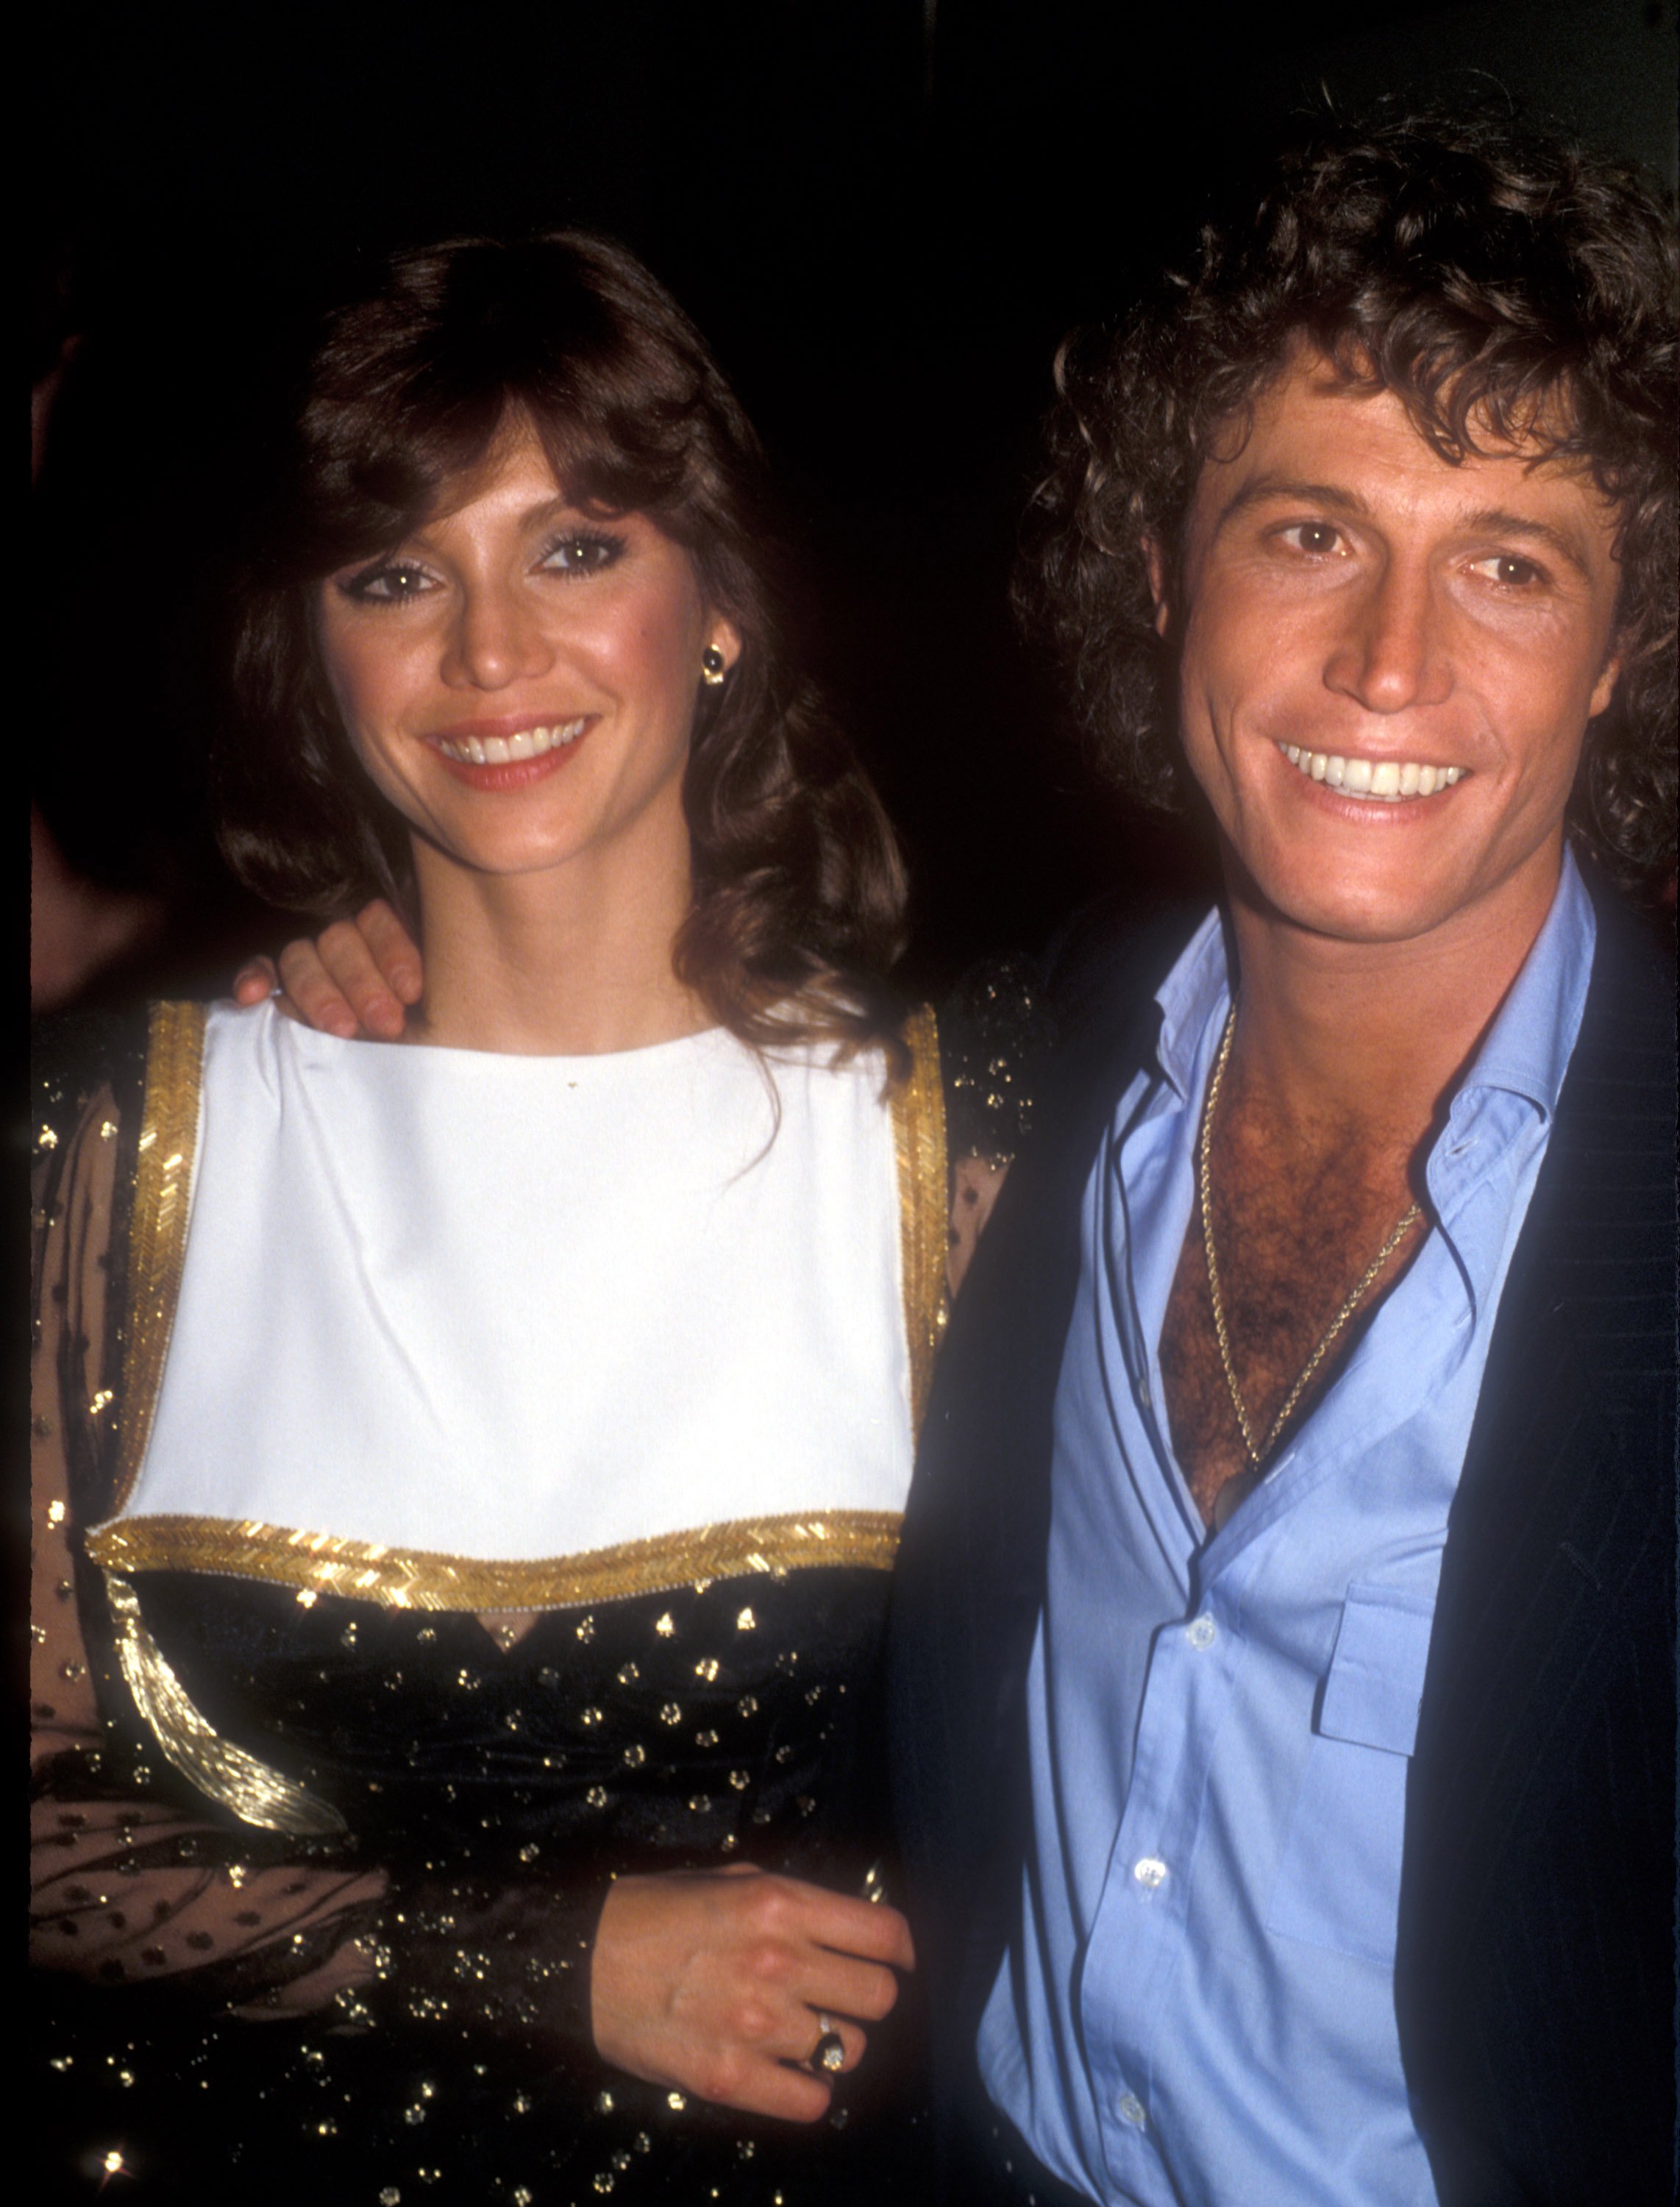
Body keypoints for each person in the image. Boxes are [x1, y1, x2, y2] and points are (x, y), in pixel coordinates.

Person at [29, 227, 1015, 2205]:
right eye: (400, 574)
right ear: (312, 642)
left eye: (579, 547)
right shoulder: (116, 1143)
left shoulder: (972, 1140)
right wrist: (542, 1961)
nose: (489, 657)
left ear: (716, 604)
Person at [885, 105, 1679, 2206]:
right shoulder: (1012, 1071)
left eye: (1510, 565)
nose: (1390, 664)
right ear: (1167, 576)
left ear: (1621, 653)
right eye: (1310, 533)